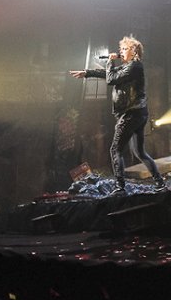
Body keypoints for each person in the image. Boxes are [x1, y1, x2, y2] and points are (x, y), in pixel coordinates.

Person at [70, 35, 165, 195]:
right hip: (137, 113)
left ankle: (120, 187)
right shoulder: (128, 67)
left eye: (125, 49)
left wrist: (110, 61)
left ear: (134, 52)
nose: (121, 51)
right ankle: (160, 183)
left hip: (131, 113)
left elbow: (111, 79)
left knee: (115, 150)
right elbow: (108, 73)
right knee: (140, 152)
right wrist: (87, 73)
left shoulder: (134, 66)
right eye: (121, 49)